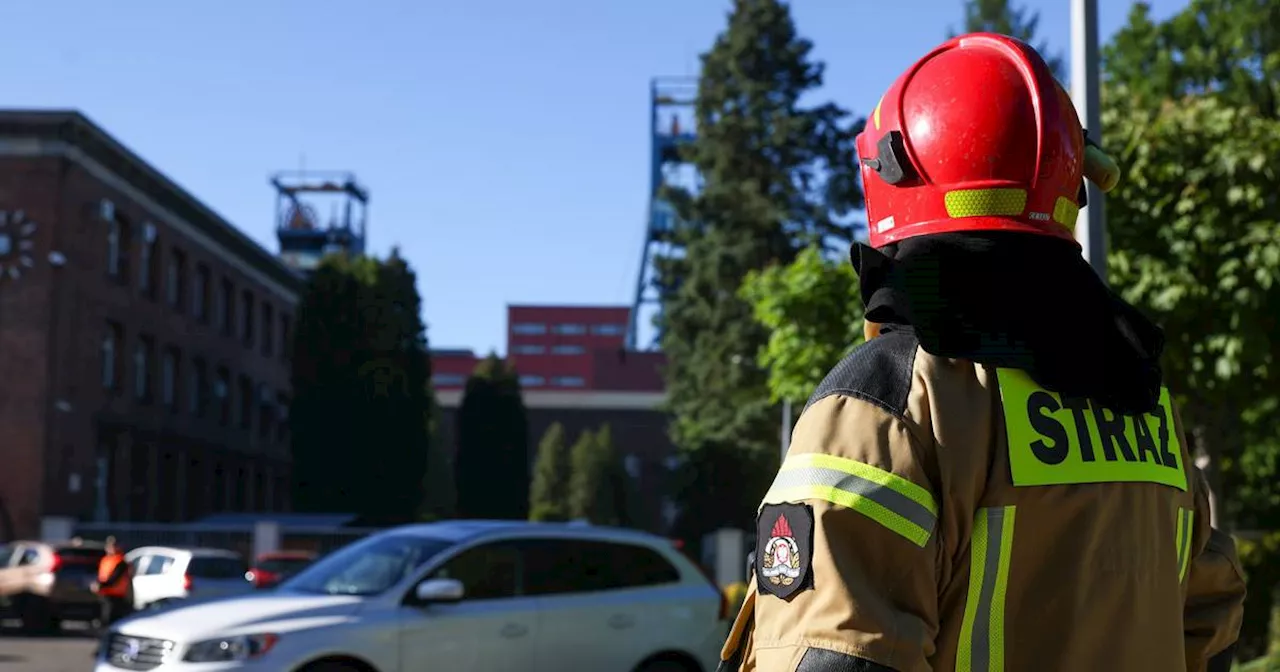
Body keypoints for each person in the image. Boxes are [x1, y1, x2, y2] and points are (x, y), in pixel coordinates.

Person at [718, 33, 1246, 672]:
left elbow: (834, 657)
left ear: (892, 175)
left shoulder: (886, 405)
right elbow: (1209, 627)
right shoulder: (1147, 402)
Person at [95, 536, 133, 625]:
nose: (111, 548)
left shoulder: (120, 561)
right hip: (104, 594)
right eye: (110, 546)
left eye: (114, 545)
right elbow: (102, 575)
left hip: (116, 596)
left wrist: (101, 585)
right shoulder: (106, 560)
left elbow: (115, 578)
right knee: (103, 618)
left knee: (111, 619)